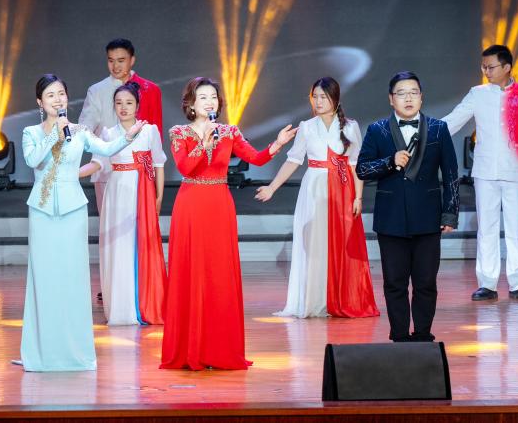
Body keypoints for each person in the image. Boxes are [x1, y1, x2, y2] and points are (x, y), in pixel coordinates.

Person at [161, 77, 297, 370]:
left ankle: (218, 349)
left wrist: (277, 144)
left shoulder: (229, 132)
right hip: (191, 205)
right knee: (192, 272)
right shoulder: (179, 133)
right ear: (191, 103)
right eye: (203, 97)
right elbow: (185, 167)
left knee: (218, 274)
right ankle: (190, 349)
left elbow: (256, 158)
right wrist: (203, 144)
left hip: (219, 206)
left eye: (213, 97)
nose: (210, 102)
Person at [20, 74, 146, 371]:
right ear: (40, 102)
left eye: (61, 94)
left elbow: (106, 149)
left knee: (72, 277)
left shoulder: (80, 131)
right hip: (42, 210)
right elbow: (33, 160)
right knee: (44, 277)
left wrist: (129, 137)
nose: (57, 99)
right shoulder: (31, 132)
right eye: (50, 95)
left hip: (73, 208)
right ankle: (42, 352)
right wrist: (54, 134)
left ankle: (74, 351)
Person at [256, 77, 378, 319]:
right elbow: (293, 160)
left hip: (342, 190)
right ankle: (315, 301)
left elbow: (356, 165)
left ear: (336, 99)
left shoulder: (350, 127)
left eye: (324, 97)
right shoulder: (307, 127)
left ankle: (341, 298)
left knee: (341, 245)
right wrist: (271, 187)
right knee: (314, 245)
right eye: (315, 97)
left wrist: (358, 198)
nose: (319, 102)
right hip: (314, 188)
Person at [356, 72, 459, 343]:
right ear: (391, 99)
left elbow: (451, 174)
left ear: (421, 97)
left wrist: (450, 213)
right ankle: (399, 336)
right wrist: (390, 162)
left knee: (426, 282)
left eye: (413, 92)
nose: (408, 98)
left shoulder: (438, 128)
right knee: (395, 282)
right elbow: (362, 169)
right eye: (401, 93)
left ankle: (423, 334)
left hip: (428, 217)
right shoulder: (377, 130)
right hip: (391, 218)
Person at [442, 44, 518, 301]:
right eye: (483, 67)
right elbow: (453, 120)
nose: (486, 71)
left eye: (491, 67)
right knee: (486, 228)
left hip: (517, 171)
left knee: (516, 227)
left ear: (507, 67)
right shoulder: (477, 94)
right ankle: (487, 283)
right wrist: (421, 131)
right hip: (485, 171)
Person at [93, 80, 167, 325]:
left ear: (137, 105)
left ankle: (145, 304)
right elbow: (98, 163)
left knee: (142, 245)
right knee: (118, 246)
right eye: (118, 103)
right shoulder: (108, 134)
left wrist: (158, 197)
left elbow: (158, 164)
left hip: (142, 191)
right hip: (117, 192)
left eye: (129, 103)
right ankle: (120, 308)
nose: (123, 107)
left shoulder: (149, 131)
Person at [79, 38, 163, 214]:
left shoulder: (150, 89)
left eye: (121, 60)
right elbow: (84, 129)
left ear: (132, 60)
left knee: (141, 224)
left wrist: (155, 176)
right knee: (110, 223)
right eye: (111, 60)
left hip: (141, 173)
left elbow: (157, 136)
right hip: (106, 168)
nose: (115, 66)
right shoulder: (97, 90)